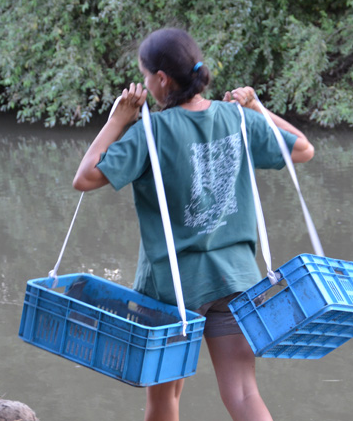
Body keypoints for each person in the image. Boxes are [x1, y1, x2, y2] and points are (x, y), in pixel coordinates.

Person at [73, 28, 314, 421]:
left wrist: (118, 119)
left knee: (164, 397)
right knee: (243, 393)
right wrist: (257, 108)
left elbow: (85, 177)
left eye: (145, 76)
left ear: (161, 78)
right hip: (236, 281)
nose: (145, 84)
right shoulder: (237, 118)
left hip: (172, 290)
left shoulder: (151, 131)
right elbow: (303, 148)